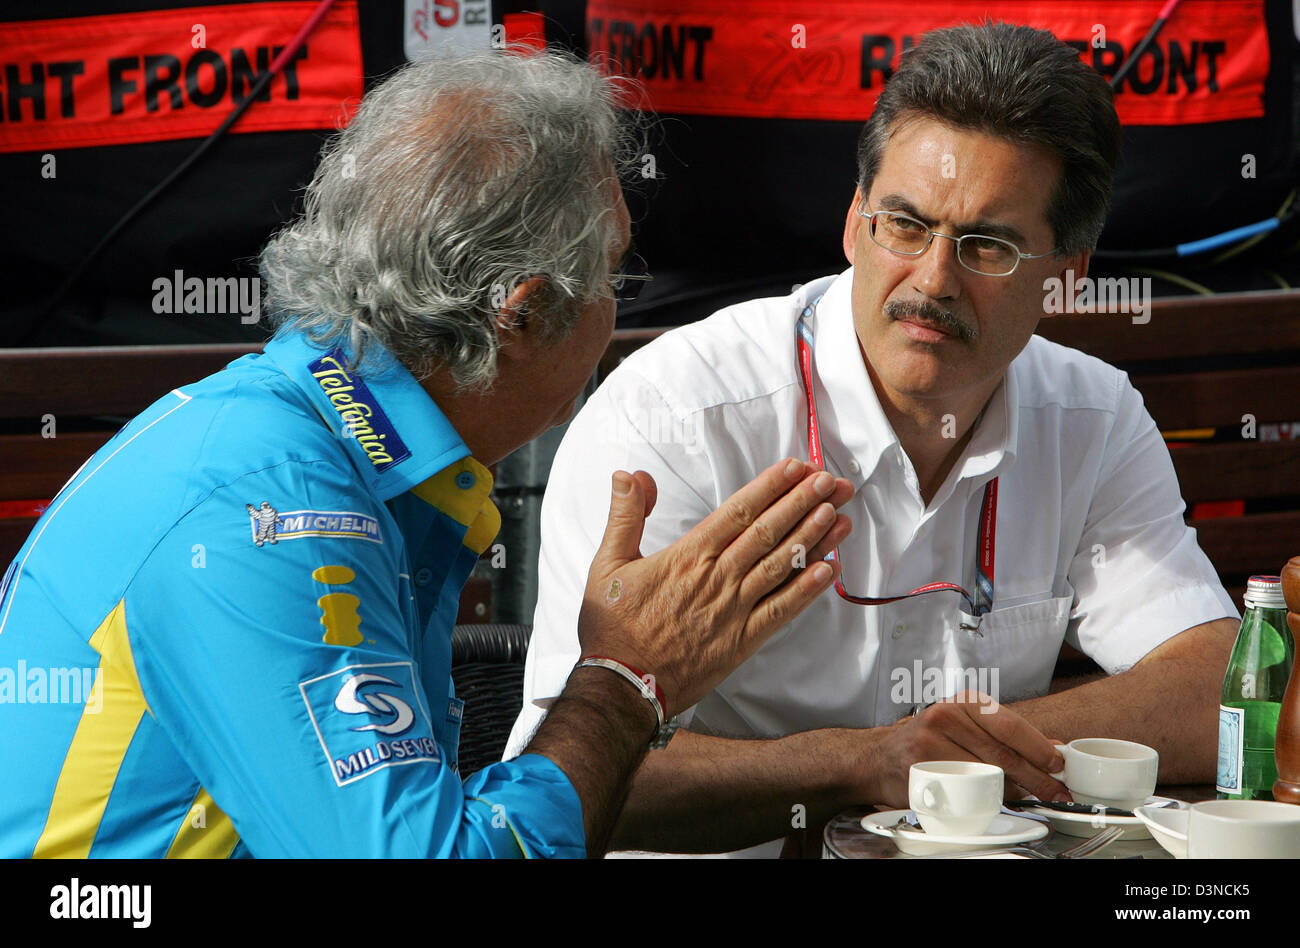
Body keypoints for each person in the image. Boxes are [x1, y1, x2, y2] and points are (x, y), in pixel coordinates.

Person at [0, 50, 856, 858]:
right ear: (521, 313)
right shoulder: (278, 508)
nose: (615, 315)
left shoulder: (331, 444)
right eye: (614, 274)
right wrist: (625, 677)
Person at [506, 22, 1241, 856]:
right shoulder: (680, 413)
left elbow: (1215, 685)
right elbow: (561, 782)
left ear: (1067, 275)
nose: (933, 280)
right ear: (854, 222)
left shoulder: (1093, 416)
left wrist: (944, 756)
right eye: (905, 225)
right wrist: (867, 765)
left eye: (987, 246)